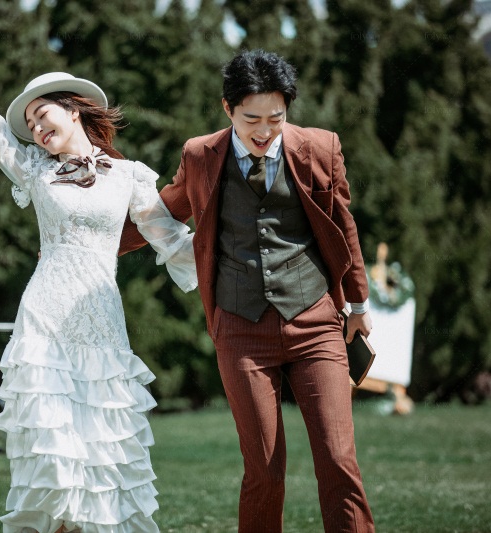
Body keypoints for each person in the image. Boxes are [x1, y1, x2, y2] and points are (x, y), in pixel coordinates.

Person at [0, 24, 196, 533]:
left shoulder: (129, 176)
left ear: (73, 110)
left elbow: (173, 240)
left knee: (102, 458)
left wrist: (235, 264)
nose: (35, 128)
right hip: (45, 320)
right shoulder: (33, 168)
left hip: (100, 322)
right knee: (53, 459)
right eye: (29, 123)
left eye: (41, 114)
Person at [120, 49, 375, 532]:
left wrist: (358, 303)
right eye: (251, 119)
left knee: (339, 460)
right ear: (227, 108)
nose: (264, 131)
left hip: (315, 321)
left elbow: (344, 226)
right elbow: (164, 212)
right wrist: (93, 241)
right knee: (263, 471)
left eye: (275, 118)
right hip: (240, 329)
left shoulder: (320, 148)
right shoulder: (200, 155)